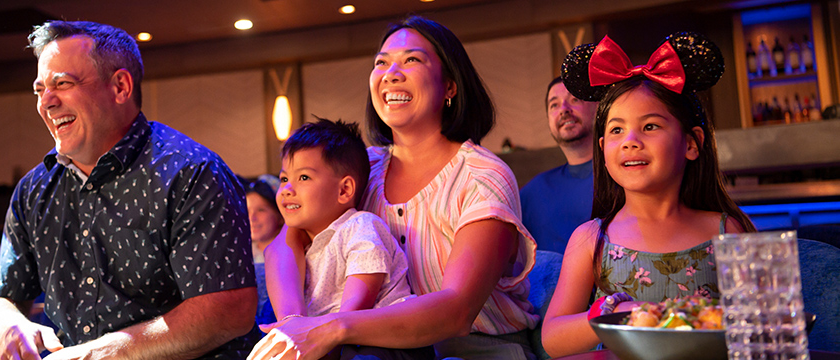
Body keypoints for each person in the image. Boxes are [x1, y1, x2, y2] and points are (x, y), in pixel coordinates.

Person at [249, 15, 539, 360]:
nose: (391, 73)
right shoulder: (362, 168)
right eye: (381, 63)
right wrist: (295, 325)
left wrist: (333, 328)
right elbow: (287, 240)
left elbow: (457, 310)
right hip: (370, 348)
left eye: (411, 60)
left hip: (477, 350)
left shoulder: (482, 175)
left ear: (450, 85)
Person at [0, 20, 258, 360]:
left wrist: (100, 353)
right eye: (39, 90)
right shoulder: (33, 190)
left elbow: (229, 309)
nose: (46, 102)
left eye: (62, 84)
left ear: (120, 86)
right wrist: (8, 326)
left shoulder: (191, 172)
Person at [540, 33, 757, 357]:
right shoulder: (591, 239)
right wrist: (611, 315)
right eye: (616, 130)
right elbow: (552, 339)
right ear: (603, 148)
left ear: (691, 143)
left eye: (650, 126)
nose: (629, 141)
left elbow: (758, 328)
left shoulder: (727, 233)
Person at [276, 118, 421, 358]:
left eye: (303, 178)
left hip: (384, 342)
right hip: (337, 342)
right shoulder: (306, 245)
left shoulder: (360, 226)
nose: (287, 189)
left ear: (344, 190)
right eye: (283, 179)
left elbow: (354, 310)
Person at [520, 77, 598, 254]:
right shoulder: (534, 192)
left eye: (574, 100)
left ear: (596, 108)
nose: (564, 109)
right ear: (548, 120)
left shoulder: (623, 175)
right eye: (554, 105)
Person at [245, 175, 284, 264]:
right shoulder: (243, 254)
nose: (251, 218)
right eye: (247, 211)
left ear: (280, 215)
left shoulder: (288, 255)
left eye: (261, 210)